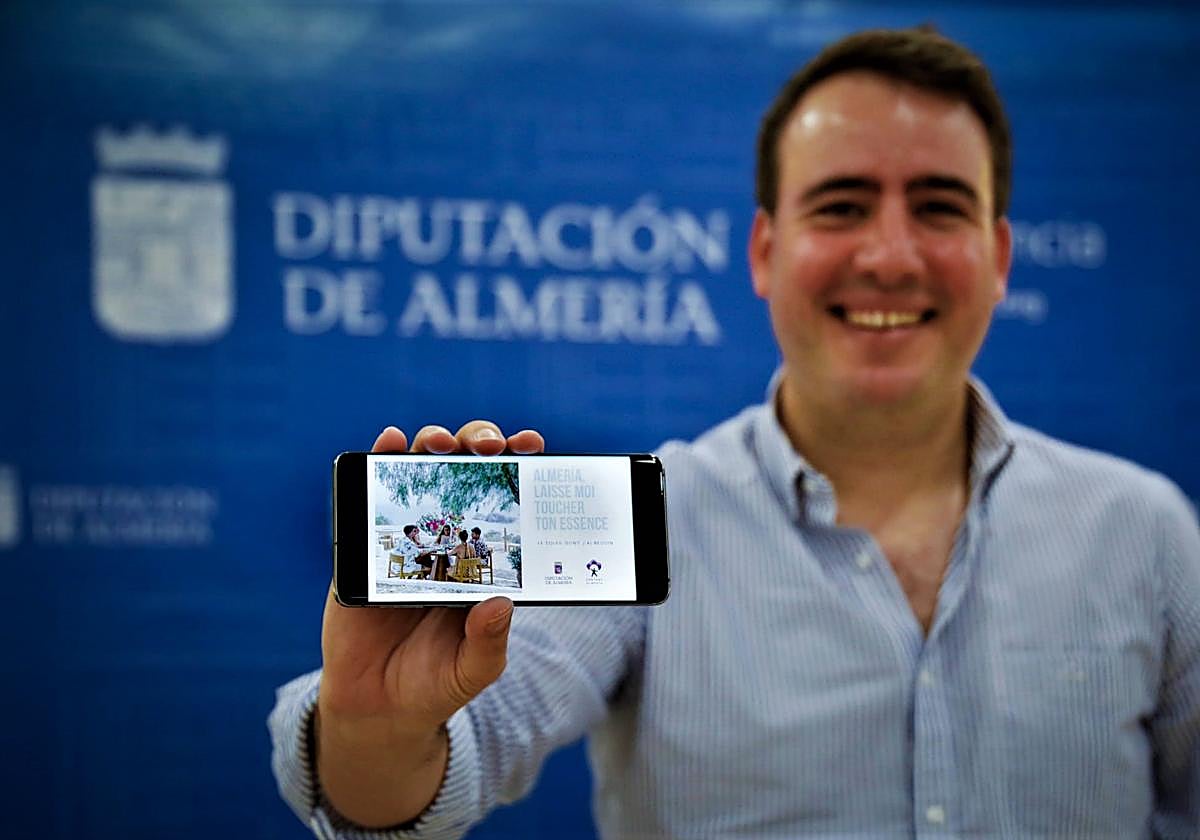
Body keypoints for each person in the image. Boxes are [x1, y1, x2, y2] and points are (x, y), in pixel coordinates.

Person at [270, 27, 1200, 838]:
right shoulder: (651, 525)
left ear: (997, 258)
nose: (888, 255)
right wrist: (375, 727)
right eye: (841, 206)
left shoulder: (1144, 532)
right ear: (765, 251)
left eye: (939, 207)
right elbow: (449, 756)